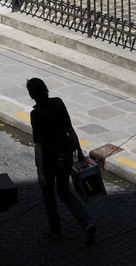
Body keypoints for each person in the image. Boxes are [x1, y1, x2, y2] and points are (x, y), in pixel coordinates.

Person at [26, 77, 96, 245]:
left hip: (50, 159)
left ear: (31, 95)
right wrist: (79, 151)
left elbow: (38, 145)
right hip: (66, 155)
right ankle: (86, 222)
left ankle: (55, 230)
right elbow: (69, 129)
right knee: (64, 191)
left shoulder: (36, 114)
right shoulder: (58, 102)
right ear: (46, 89)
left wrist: (40, 172)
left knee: (49, 195)